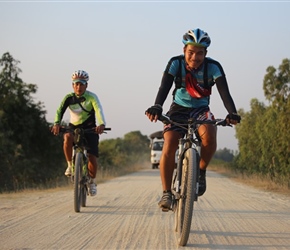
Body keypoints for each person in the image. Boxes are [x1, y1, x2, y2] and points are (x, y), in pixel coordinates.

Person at [145, 28, 241, 210]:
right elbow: (164, 87)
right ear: (184, 51)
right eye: (191, 52)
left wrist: (232, 113)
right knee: (170, 142)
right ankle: (166, 193)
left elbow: (224, 93)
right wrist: (157, 106)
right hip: (178, 110)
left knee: (210, 134)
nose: (195, 57)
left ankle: (201, 171)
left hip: (200, 110)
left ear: (206, 53)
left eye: (199, 53)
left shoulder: (214, 67)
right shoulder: (175, 63)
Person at [51, 70, 106, 196]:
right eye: (76, 84)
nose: (78, 87)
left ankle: (92, 181)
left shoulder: (92, 97)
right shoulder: (69, 98)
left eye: (81, 84)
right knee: (67, 137)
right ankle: (70, 165)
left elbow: (98, 110)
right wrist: (56, 123)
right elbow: (59, 111)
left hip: (90, 129)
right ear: (72, 85)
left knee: (92, 156)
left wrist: (101, 124)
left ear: (86, 85)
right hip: (73, 127)